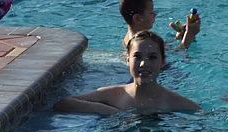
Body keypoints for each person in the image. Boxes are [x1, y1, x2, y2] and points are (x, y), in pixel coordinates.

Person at [52, 31, 201, 115]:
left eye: (152, 57)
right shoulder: (114, 95)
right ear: (128, 60)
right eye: (137, 56)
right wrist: (109, 111)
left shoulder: (173, 101)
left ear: (162, 62)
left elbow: (203, 118)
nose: (144, 63)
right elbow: (63, 103)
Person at [119, 0, 199, 51]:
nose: (155, 14)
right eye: (151, 12)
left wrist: (176, 39)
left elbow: (160, 48)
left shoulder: (134, 37)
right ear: (138, 18)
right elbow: (176, 54)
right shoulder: (140, 43)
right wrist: (189, 35)